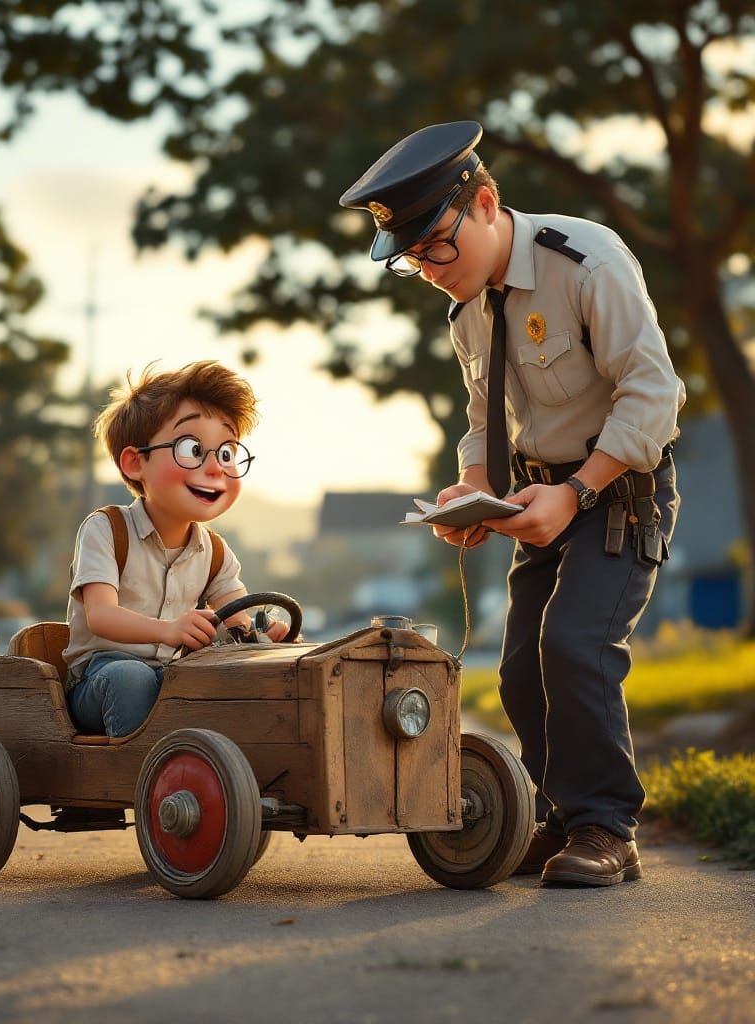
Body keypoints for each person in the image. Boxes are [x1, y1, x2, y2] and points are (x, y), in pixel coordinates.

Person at [340, 121, 684, 887]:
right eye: (411, 260)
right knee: (520, 669)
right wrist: (473, 489)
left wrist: (577, 490)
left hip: (617, 491)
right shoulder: (467, 310)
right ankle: (557, 815)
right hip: (536, 501)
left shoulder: (587, 261)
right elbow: (483, 417)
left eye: (437, 247)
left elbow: (655, 395)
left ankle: (607, 828)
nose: (429, 271)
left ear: (487, 205)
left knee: (574, 646)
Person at [63, 360, 290, 738]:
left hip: (172, 676)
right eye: (192, 449)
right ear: (135, 463)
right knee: (131, 678)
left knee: (221, 683)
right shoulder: (107, 529)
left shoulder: (214, 552)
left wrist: (262, 636)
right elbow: (101, 616)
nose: (215, 468)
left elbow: (237, 619)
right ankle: (139, 769)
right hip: (100, 677)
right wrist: (168, 630)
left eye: (226, 453)